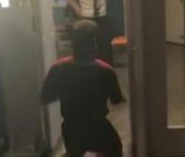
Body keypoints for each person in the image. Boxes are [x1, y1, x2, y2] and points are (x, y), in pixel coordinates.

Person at [40, 20, 125, 157]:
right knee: (114, 149)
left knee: (74, 152)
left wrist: (67, 90)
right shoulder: (105, 70)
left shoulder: (58, 68)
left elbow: (45, 98)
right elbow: (116, 99)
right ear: (94, 45)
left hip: (71, 128)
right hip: (98, 127)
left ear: (73, 45)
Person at [60, 0, 114, 65]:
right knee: (86, 47)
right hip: (86, 17)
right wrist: (76, 8)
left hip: (102, 17)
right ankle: (87, 68)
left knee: (105, 49)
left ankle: (105, 69)